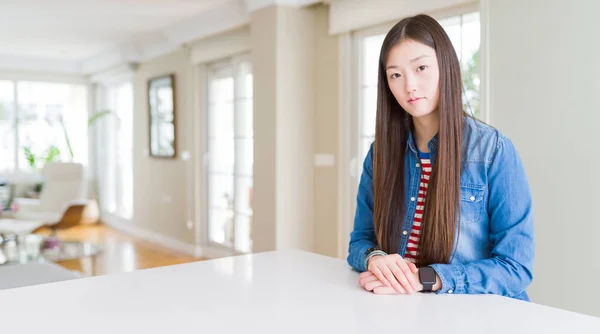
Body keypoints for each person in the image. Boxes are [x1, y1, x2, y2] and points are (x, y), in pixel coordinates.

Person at [347, 14, 534, 301]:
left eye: (421, 67)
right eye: (395, 74)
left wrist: (428, 278)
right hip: (405, 309)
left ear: (445, 67)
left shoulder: (492, 151)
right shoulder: (381, 153)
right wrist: (377, 259)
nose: (409, 85)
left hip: (481, 315)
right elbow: (360, 241)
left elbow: (516, 267)